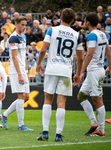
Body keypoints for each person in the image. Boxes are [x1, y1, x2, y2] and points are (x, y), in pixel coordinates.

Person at [36, 8, 83, 141]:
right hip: (66, 71)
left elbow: (43, 49)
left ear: (60, 17)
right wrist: (78, 74)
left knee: (47, 101)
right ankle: (58, 134)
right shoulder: (76, 34)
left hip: (51, 69)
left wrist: (39, 63)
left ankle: (45, 132)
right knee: (61, 103)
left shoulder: (52, 30)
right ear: (73, 21)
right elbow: (80, 58)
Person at [77, 13, 111, 136]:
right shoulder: (102, 34)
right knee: (81, 96)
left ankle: (101, 130)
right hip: (98, 69)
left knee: (97, 100)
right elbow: (108, 51)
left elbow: (90, 54)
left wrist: (81, 72)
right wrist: (110, 67)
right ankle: (94, 123)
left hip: (95, 71)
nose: (84, 23)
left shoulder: (91, 35)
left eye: (85, 21)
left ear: (88, 22)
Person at [0, 16, 34, 131]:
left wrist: (26, 71)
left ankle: (4, 115)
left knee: (26, 97)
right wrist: (19, 73)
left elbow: (22, 55)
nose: (24, 27)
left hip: (23, 70)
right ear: (16, 24)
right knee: (21, 96)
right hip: (15, 70)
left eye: (25, 25)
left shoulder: (23, 36)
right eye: (22, 24)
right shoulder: (13, 38)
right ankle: (21, 125)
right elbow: (14, 57)